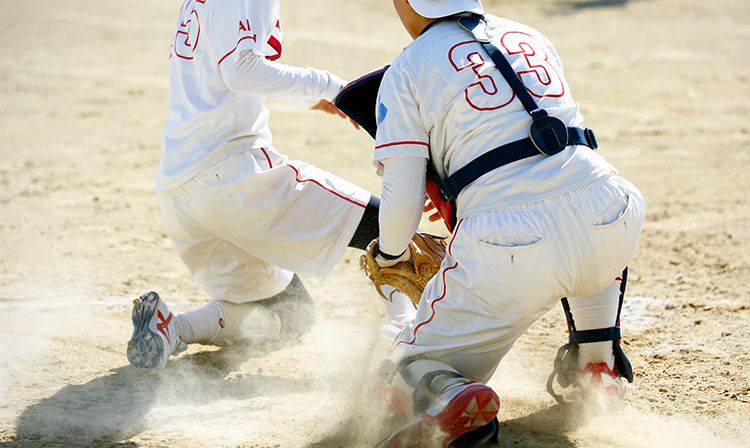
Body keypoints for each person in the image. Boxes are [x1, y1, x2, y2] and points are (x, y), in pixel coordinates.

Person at [366, 0, 646, 445]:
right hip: (612, 208)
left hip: (510, 245)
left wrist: (390, 252)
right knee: (586, 218)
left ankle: (451, 394)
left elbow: (403, 195)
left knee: (404, 370)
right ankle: (599, 358)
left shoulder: (407, 67)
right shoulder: (527, 34)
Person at [125, 0, 417, 369]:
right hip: (234, 178)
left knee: (290, 314)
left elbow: (221, 73)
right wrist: (328, 87)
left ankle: (172, 328)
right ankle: (410, 337)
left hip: (180, 190)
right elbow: (240, 70)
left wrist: (306, 95)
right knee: (388, 224)